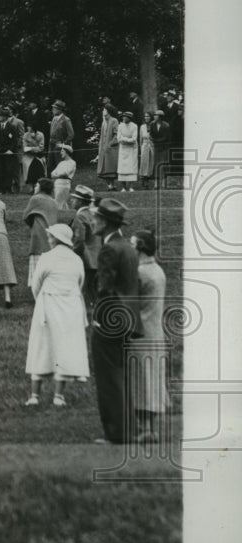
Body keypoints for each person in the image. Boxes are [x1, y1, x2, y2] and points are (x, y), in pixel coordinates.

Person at [89, 197, 140, 444]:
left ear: (106, 222)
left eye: (96, 219)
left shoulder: (109, 248)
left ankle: (116, 434)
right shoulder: (128, 247)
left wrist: (100, 319)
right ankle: (126, 430)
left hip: (110, 322)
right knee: (122, 377)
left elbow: (105, 289)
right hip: (129, 320)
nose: (92, 222)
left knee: (109, 379)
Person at [24, 223, 90, 407]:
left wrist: (43, 300)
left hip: (50, 304)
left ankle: (35, 396)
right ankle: (58, 396)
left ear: (57, 239)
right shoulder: (76, 259)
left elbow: (36, 283)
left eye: (51, 237)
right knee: (64, 348)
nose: (49, 240)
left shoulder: (46, 258)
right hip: (71, 306)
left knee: (41, 347)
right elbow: (80, 282)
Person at [131, 229, 169, 443]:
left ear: (141, 247)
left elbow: (129, 301)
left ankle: (143, 427)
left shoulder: (140, 273)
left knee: (140, 378)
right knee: (153, 378)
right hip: (156, 331)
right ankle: (151, 427)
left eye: (133, 243)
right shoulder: (158, 271)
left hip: (141, 332)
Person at [22, 178, 59, 290]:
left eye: (37, 185)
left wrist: (33, 224)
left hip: (38, 233)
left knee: (37, 260)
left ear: (42, 187)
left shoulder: (35, 199)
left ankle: (37, 289)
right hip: (52, 235)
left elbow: (26, 216)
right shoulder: (54, 201)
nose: (35, 187)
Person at [69, 185, 100, 308]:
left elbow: (79, 239)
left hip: (86, 258)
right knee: (92, 288)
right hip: (96, 256)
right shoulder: (93, 214)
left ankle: (86, 313)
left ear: (80, 201)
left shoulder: (80, 216)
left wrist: (72, 254)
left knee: (84, 288)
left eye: (74, 199)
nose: (71, 201)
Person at [0, 106, 22, 194]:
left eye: (0, 115)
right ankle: (0, 189)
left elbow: (14, 141)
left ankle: (8, 188)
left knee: (8, 170)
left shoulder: (12, 127)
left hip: (8, 152)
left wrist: (11, 150)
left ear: (5, 117)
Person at [46, 100, 74, 173]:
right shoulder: (54, 118)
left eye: (55, 108)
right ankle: (51, 183)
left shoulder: (66, 120)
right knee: (50, 166)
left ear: (60, 110)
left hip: (60, 147)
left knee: (60, 166)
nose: (53, 110)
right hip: (51, 145)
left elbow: (71, 135)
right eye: (53, 108)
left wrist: (63, 144)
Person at [96, 104, 119, 190]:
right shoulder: (103, 122)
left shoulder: (114, 121)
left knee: (111, 168)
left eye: (104, 110)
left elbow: (117, 134)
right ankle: (109, 186)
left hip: (111, 149)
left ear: (108, 111)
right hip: (103, 149)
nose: (103, 111)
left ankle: (112, 185)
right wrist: (101, 147)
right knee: (104, 168)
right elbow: (102, 137)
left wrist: (110, 144)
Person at [116, 110, 139, 192]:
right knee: (122, 168)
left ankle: (131, 187)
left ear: (129, 118)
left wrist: (124, 139)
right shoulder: (120, 126)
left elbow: (134, 139)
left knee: (131, 168)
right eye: (123, 117)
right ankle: (124, 187)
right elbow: (118, 138)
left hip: (132, 149)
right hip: (122, 150)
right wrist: (125, 140)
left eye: (125, 117)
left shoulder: (134, 126)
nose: (124, 118)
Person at [21, 123, 46, 192]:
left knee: (39, 170)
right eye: (28, 129)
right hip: (28, 156)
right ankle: (31, 187)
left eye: (31, 129)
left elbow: (41, 147)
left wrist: (31, 148)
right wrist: (33, 148)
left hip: (39, 156)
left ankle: (39, 187)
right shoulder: (25, 135)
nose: (29, 130)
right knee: (30, 171)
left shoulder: (40, 135)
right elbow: (24, 147)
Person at [51, 143, 77, 208]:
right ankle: (65, 214)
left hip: (64, 185)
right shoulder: (61, 163)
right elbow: (52, 174)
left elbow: (65, 173)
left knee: (59, 202)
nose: (60, 153)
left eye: (62, 151)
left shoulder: (72, 162)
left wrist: (57, 174)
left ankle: (59, 214)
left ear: (67, 152)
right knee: (61, 203)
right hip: (57, 184)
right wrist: (59, 174)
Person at [150, 110, 171, 185]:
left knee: (163, 164)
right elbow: (151, 134)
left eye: (156, 115)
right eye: (154, 115)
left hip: (164, 147)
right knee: (156, 164)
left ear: (160, 117)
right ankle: (156, 182)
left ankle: (163, 182)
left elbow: (165, 137)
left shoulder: (166, 125)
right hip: (156, 147)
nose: (154, 116)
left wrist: (155, 140)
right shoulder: (152, 124)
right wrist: (153, 139)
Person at [138, 112, 155, 190]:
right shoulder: (142, 127)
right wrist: (141, 147)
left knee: (151, 163)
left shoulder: (154, 125)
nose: (146, 118)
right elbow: (140, 138)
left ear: (151, 117)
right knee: (144, 163)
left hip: (152, 145)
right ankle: (144, 181)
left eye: (148, 116)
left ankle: (152, 181)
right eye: (145, 116)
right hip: (144, 146)